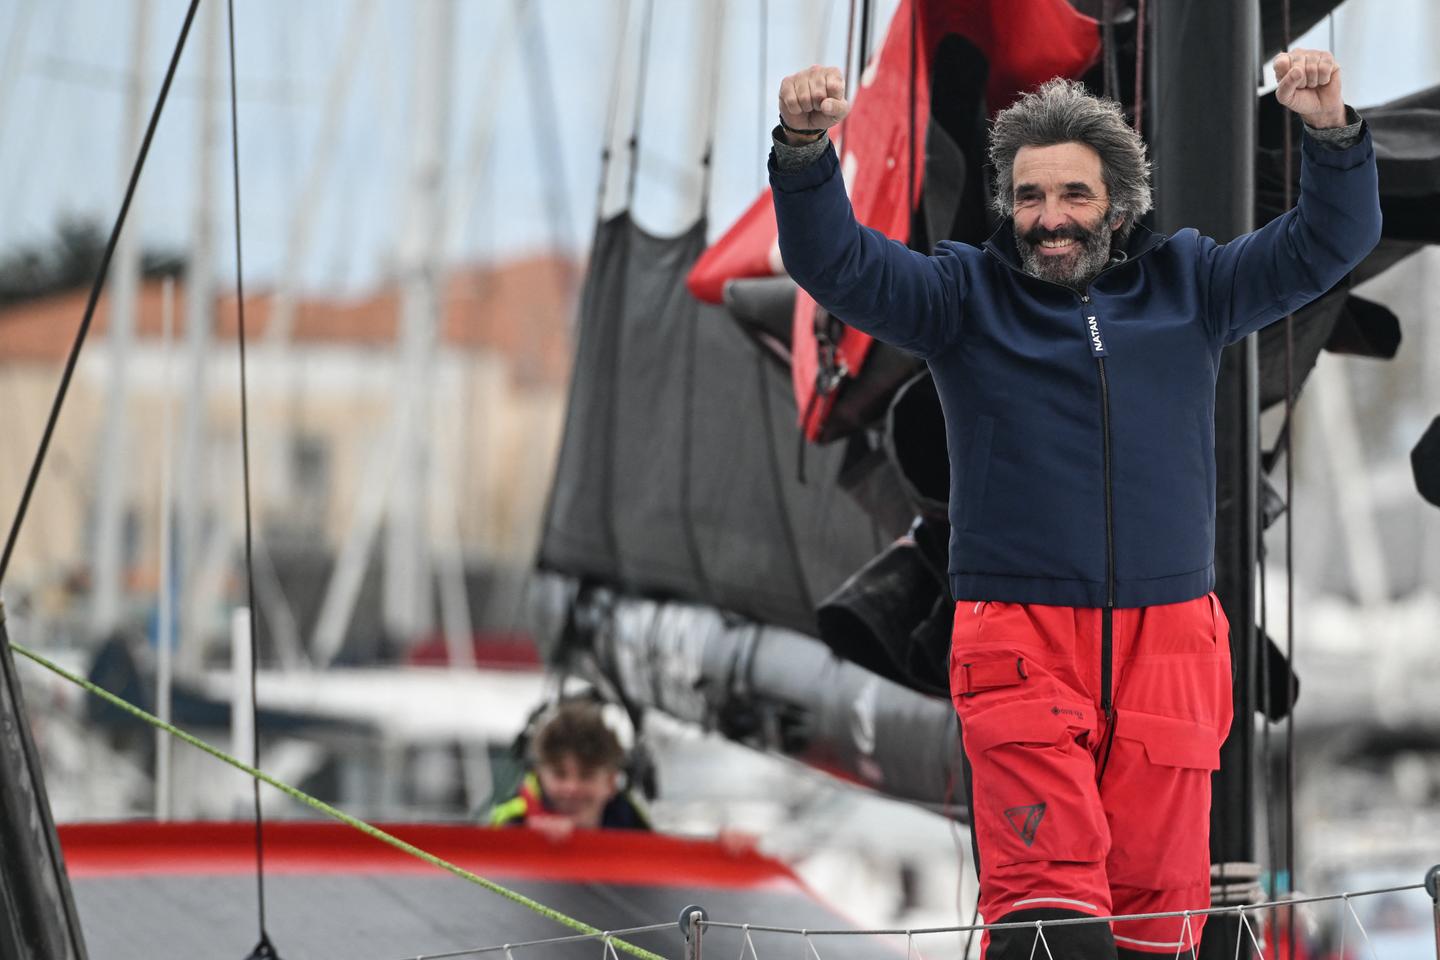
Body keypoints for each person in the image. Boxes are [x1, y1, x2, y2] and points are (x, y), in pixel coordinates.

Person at [769, 52, 1379, 960]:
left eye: (1074, 196)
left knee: (1156, 939)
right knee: (1053, 932)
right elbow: (838, 263)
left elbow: (1330, 245)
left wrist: (1331, 133)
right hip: (1021, 646)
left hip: (1171, 652)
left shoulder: (1194, 284)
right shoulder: (960, 296)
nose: (1049, 219)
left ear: (1121, 205)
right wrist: (805, 151)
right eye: (1028, 197)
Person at [488, 701, 650, 840]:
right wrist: (530, 841)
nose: (571, 788)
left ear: (611, 782)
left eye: (587, 775)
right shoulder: (514, 820)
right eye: (560, 774)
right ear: (540, 776)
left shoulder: (631, 822)